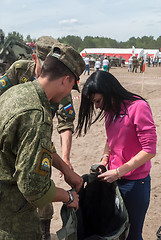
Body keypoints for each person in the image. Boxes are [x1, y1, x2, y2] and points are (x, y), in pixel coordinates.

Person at [0, 42, 85, 240]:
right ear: (66, 80)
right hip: (12, 221)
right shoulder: (37, 115)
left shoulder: (16, 93)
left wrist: (65, 168)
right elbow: (34, 188)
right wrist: (69, 197)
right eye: (72, 87)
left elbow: (30, 144)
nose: (69, 94)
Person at [75, 70, 157, 240]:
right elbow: (111, 139)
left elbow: (149, 149)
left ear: (108, 91)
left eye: (97, 101)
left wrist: (119, 171)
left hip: (135, 184)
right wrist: (105, 160)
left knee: (132, 235)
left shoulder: (138, 107)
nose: (96, 106)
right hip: (113, 181)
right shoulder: (110, 110)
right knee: (114, 232)